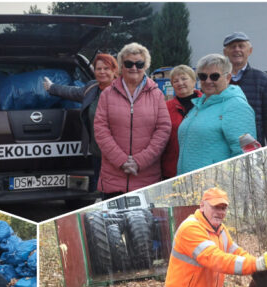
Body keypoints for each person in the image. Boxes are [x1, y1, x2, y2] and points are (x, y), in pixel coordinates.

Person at [93, 42, 171, 199]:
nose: (134, 68)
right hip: (113, 177)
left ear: (146, 66)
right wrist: (121, 161)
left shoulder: (156, 95)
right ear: (122, 65)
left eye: (139, 64)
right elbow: (100, 129)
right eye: (129, 63)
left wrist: (140, 161)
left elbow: (163, 129)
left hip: (146, 178)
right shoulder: (107, 94)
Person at [43, 53, 119, 194]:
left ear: (114, 70)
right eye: (98, 69)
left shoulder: (123, 91)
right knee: (100, 186)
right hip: (97, 152)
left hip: (118, 153)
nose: (102, 72)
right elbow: (73, 92)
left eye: (106, 68)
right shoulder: (92, 88)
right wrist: (52, 87)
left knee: (115, 189)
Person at [177, 54, 256, 176]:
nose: (208, 81)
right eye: (203, 76)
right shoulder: (199, 104)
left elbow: (245, 156)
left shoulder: (236, 106)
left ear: (228, 77)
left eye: (214, 76)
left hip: (214, 188)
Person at [222, 32, 267, 145]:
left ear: (250, 51)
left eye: (241, 46)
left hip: (251, 146)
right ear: (225, 52)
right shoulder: (215, 79)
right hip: (222, 144)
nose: (237, 50)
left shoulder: (262, 80)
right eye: (232, 47)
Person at [161, 65, 202, 180]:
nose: (180, 83)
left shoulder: (207, 104)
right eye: (175, 81)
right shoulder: (165, 108)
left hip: (201, 165)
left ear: (194, 81)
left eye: (184, 79)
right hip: (172, 168)